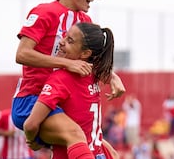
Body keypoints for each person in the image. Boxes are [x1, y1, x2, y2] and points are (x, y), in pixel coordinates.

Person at [11, 0, 125, 158]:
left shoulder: (85, 21)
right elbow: (22, 54)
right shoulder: (44, 12)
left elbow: (88, 63)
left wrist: (112, 77)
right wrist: (66, 63)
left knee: (109, 152)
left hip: (67, 103)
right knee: (76, 136)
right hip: (33, 101)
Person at [23, 23, 117, 158]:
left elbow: (31, 124)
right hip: (97, 153)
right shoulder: (93, 75)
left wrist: (35, 141)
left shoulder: (61, 78)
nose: (61, 42)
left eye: (70, 41)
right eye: (65, 36)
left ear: (85, 53)